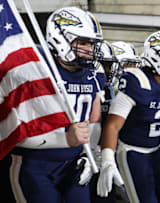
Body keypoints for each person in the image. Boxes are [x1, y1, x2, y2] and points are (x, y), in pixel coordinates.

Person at [9, 7, 104, 202]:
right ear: (60, 39)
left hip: (75, 161)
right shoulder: (32, 67)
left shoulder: (93, 73)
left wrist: (92, 152)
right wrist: (64, 140)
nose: (90, 50)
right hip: (34, 164)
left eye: (92, 44)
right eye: (84, 43)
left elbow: (93, 116)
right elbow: (12, 131)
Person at [96, 30, 160, 202]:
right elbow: (112, 125)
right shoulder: (136, 81)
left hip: (157, 151)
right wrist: (108, 159)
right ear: (156, 58)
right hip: (132, 153)